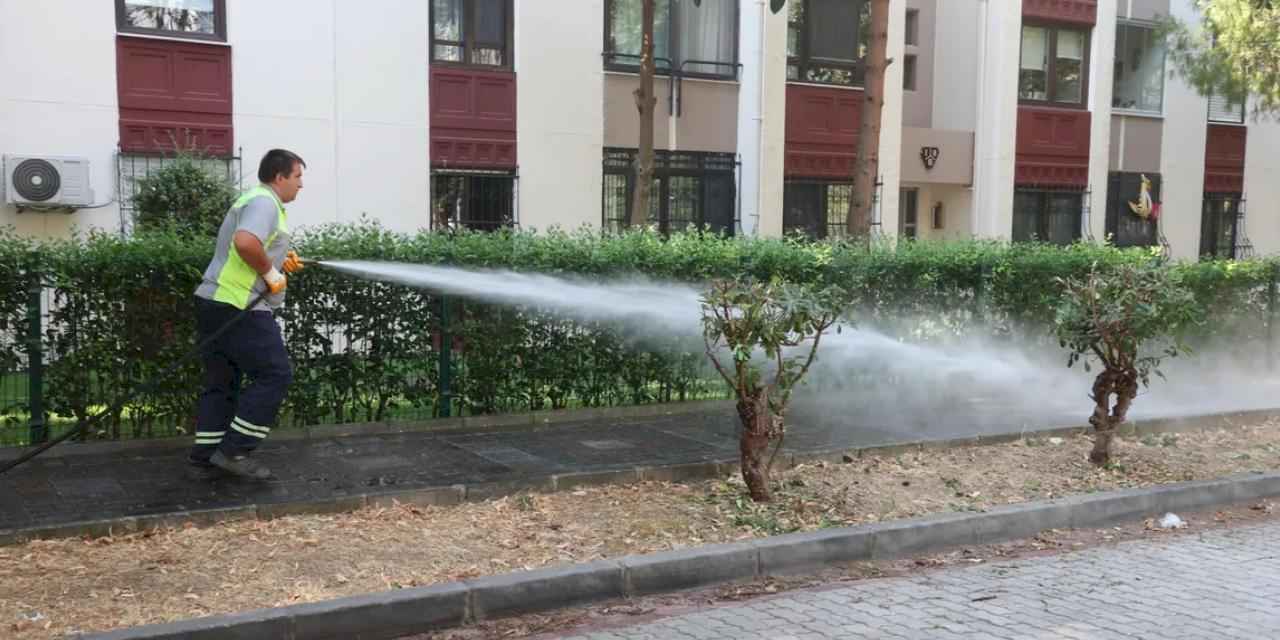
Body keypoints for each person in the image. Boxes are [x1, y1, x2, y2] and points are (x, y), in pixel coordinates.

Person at [186, 149, 307, 480]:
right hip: (236, 305)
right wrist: (271, 273)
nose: (301, 185)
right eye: (298, 177)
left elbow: (253, 247)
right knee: (275, 373)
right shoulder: (265, 202)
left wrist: (279, 263)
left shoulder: (255, 200)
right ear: (279, 177)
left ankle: (207, 453)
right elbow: (245, 243)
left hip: (214, 301)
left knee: (222, 381)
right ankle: (235, 450)